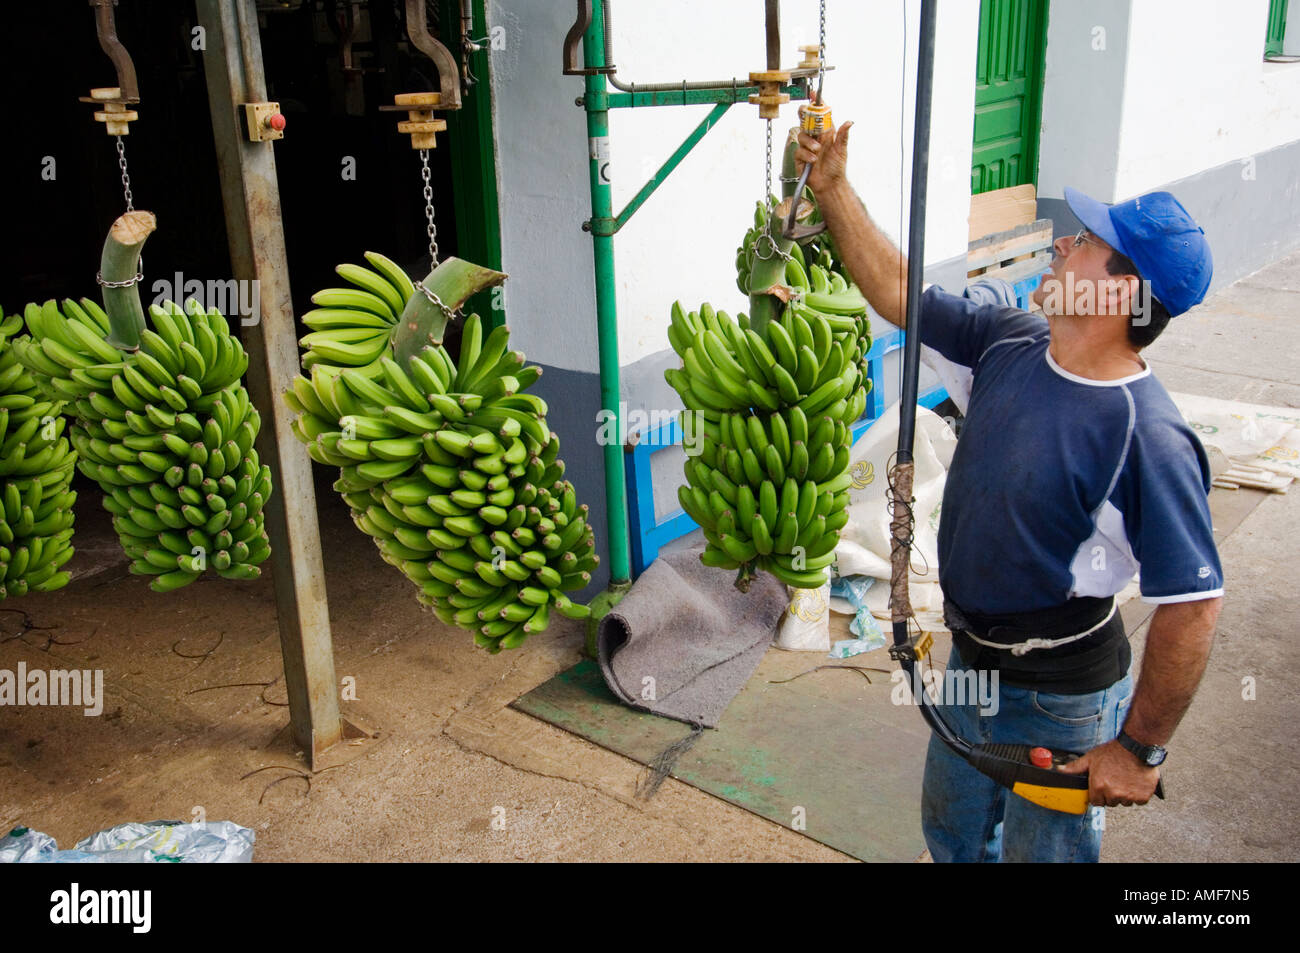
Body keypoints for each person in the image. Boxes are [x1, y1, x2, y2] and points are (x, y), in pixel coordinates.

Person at [795, 121, 1224, 862]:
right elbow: (902, 292)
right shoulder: (1012, 339)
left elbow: (1194, 603)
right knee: (954, 835)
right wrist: (832, 189)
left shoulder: (1145, 436)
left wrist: (1140, 749)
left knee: (1044, 856)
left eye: (1086, 242)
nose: (1064, 243)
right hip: (970, 666)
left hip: (1061, 699)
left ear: (1122, 291)